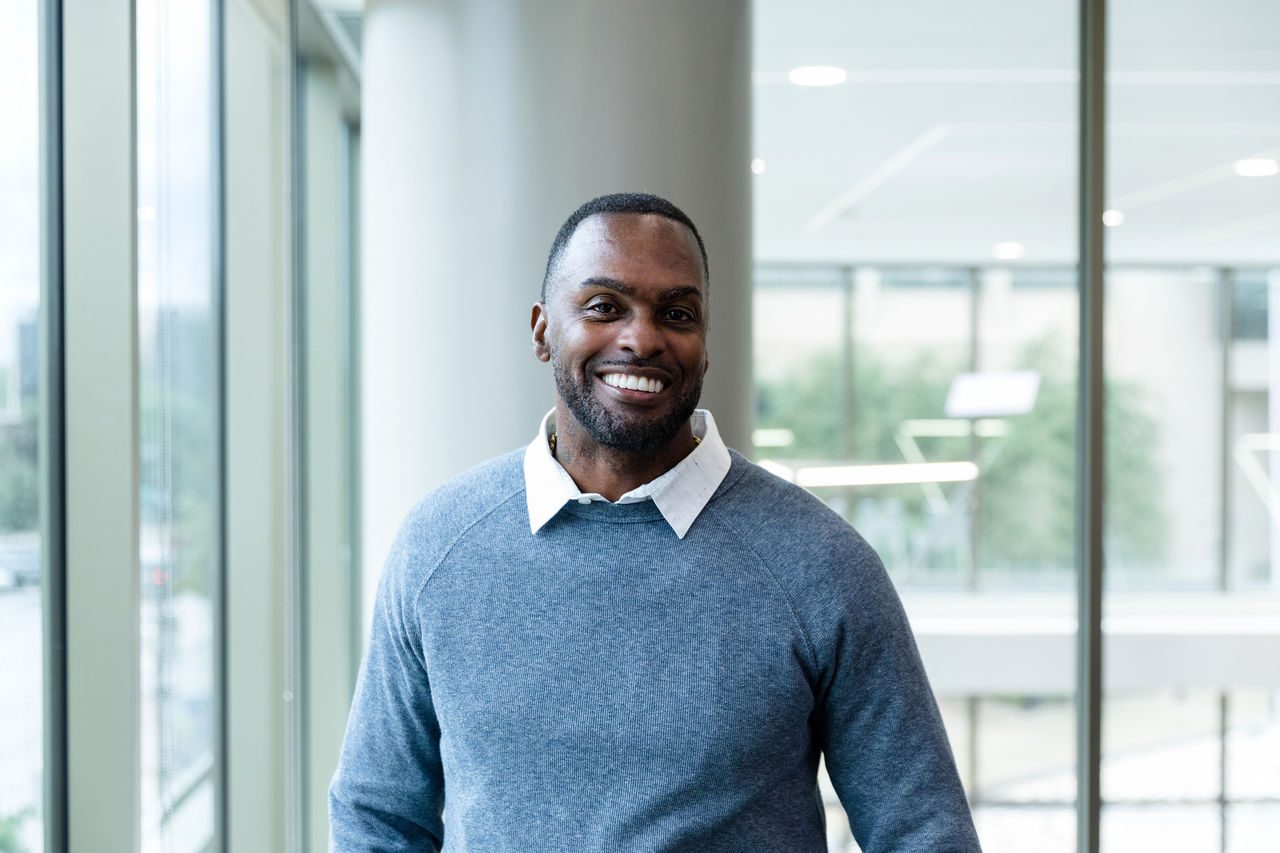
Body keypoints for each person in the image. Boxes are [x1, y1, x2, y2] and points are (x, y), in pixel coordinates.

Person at [329, 192, 982, 852]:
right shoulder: (438, 543)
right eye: (603, 306)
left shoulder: (822, 564)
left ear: (705, 344)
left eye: (676, 313)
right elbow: (376, 815)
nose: (641, 338)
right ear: (541, 330)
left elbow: (923, 831)